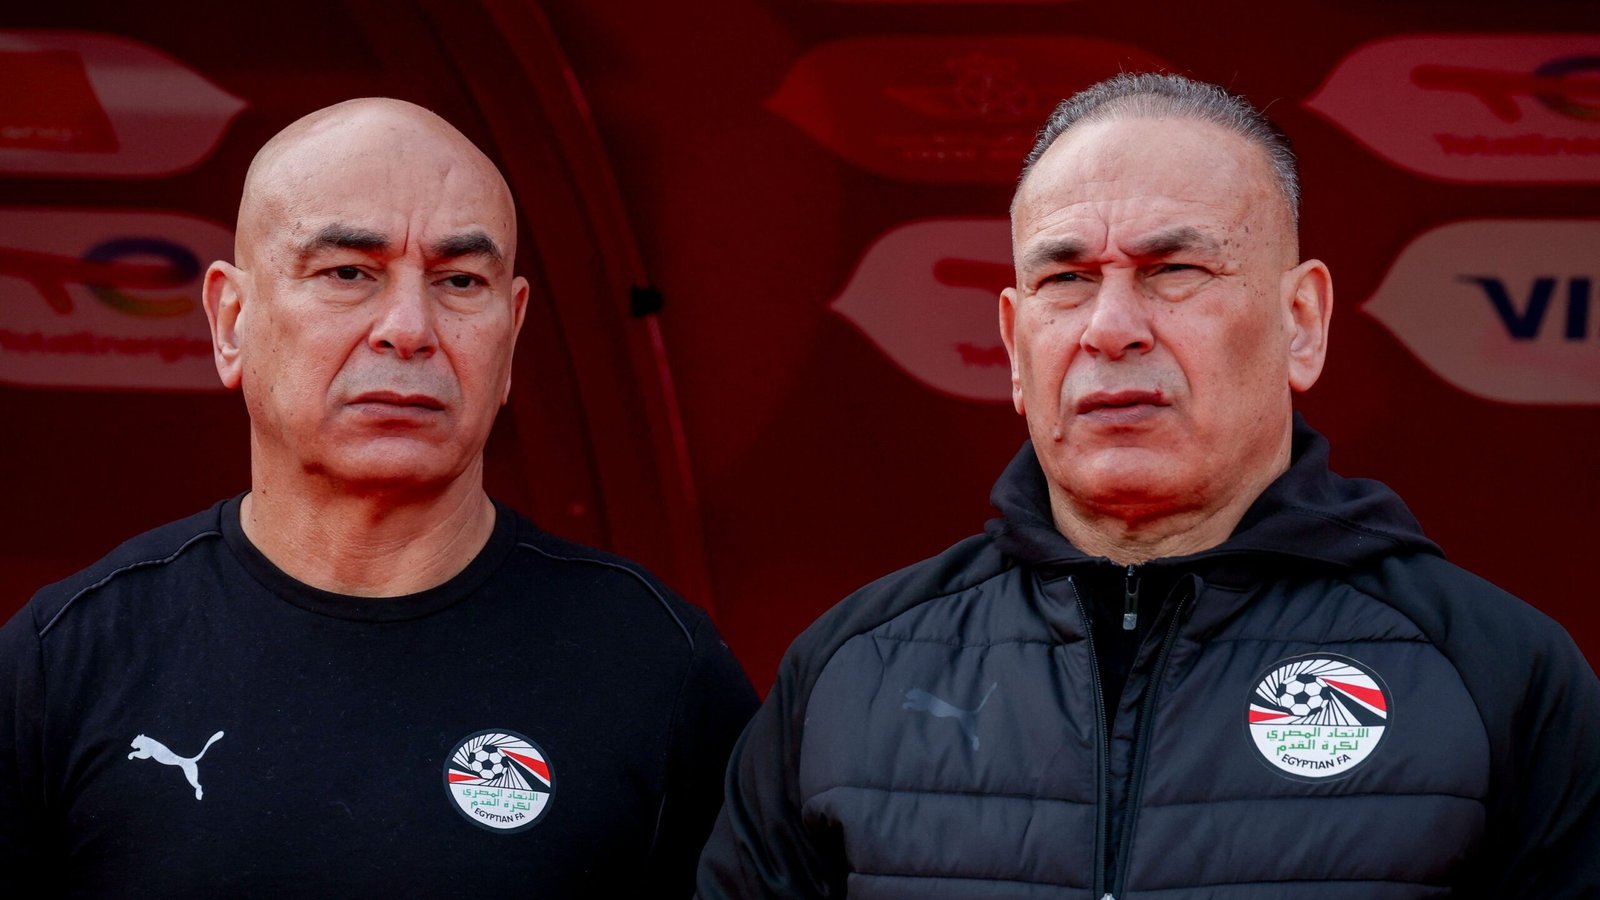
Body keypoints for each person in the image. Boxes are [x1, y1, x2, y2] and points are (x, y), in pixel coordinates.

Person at [696, 73, 1600, 899]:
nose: (1112, 328)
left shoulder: (1496, 676)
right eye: (1067, 279)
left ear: (1302, 324)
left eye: (1173, 271)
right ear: (1015, 348)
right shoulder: (848, 673)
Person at [0, 98, 757, 897]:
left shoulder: (658, 667)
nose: (408, 327)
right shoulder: (68, 664)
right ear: (232, 321)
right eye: (348, 273)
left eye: (460, 280)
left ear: (512, 333)